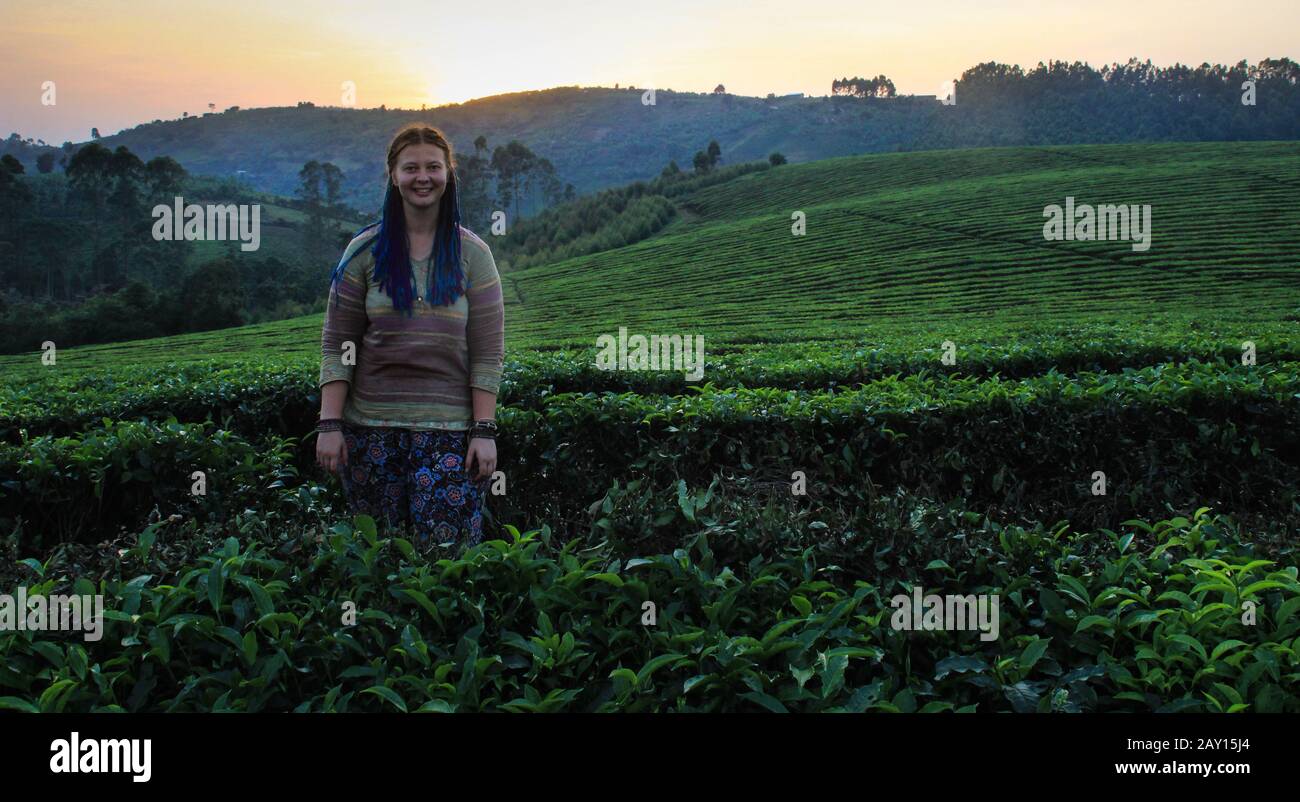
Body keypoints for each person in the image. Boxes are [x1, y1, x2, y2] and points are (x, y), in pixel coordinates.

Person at [315, 123, 505, 554]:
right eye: (411, 167)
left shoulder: (472, 255)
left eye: (433, 167)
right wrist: (329, 424)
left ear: (448, 175)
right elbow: (338, 344)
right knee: (378, 557)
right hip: (370, 432)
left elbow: (487, 350)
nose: (423, 177)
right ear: (393, 175)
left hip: (449, 433)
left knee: (447, 559)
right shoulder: (364, 251)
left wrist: (484, 431)